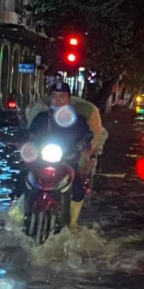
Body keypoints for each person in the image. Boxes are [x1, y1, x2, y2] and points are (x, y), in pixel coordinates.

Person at [15, 81, 93, 229]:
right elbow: (30, 136)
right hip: (41, 161)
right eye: (54, 96)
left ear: (68, 98)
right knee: (21, 180)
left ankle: (73, 223)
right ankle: (17, 216)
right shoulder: (41, 118)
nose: (58, 100)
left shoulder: (79, 120)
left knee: (78, 190)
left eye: (62, 96)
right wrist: (24, 145)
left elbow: (86, 139)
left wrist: (85, 150)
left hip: (67, 162)